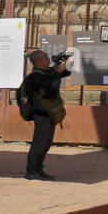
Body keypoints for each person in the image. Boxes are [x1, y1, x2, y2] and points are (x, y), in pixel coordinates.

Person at [21, 49, 71, 180]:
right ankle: (32, 171)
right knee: (40, 142)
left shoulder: (46, 73)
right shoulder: (35, 77)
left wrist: (65, 62)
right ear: (38, 61)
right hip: (41, 114)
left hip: (49, 114)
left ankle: (38, 169)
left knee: (46, 143)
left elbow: (66, 73)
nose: (48, 60)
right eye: (45, 58)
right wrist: (58, 73)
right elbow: (51, 89)